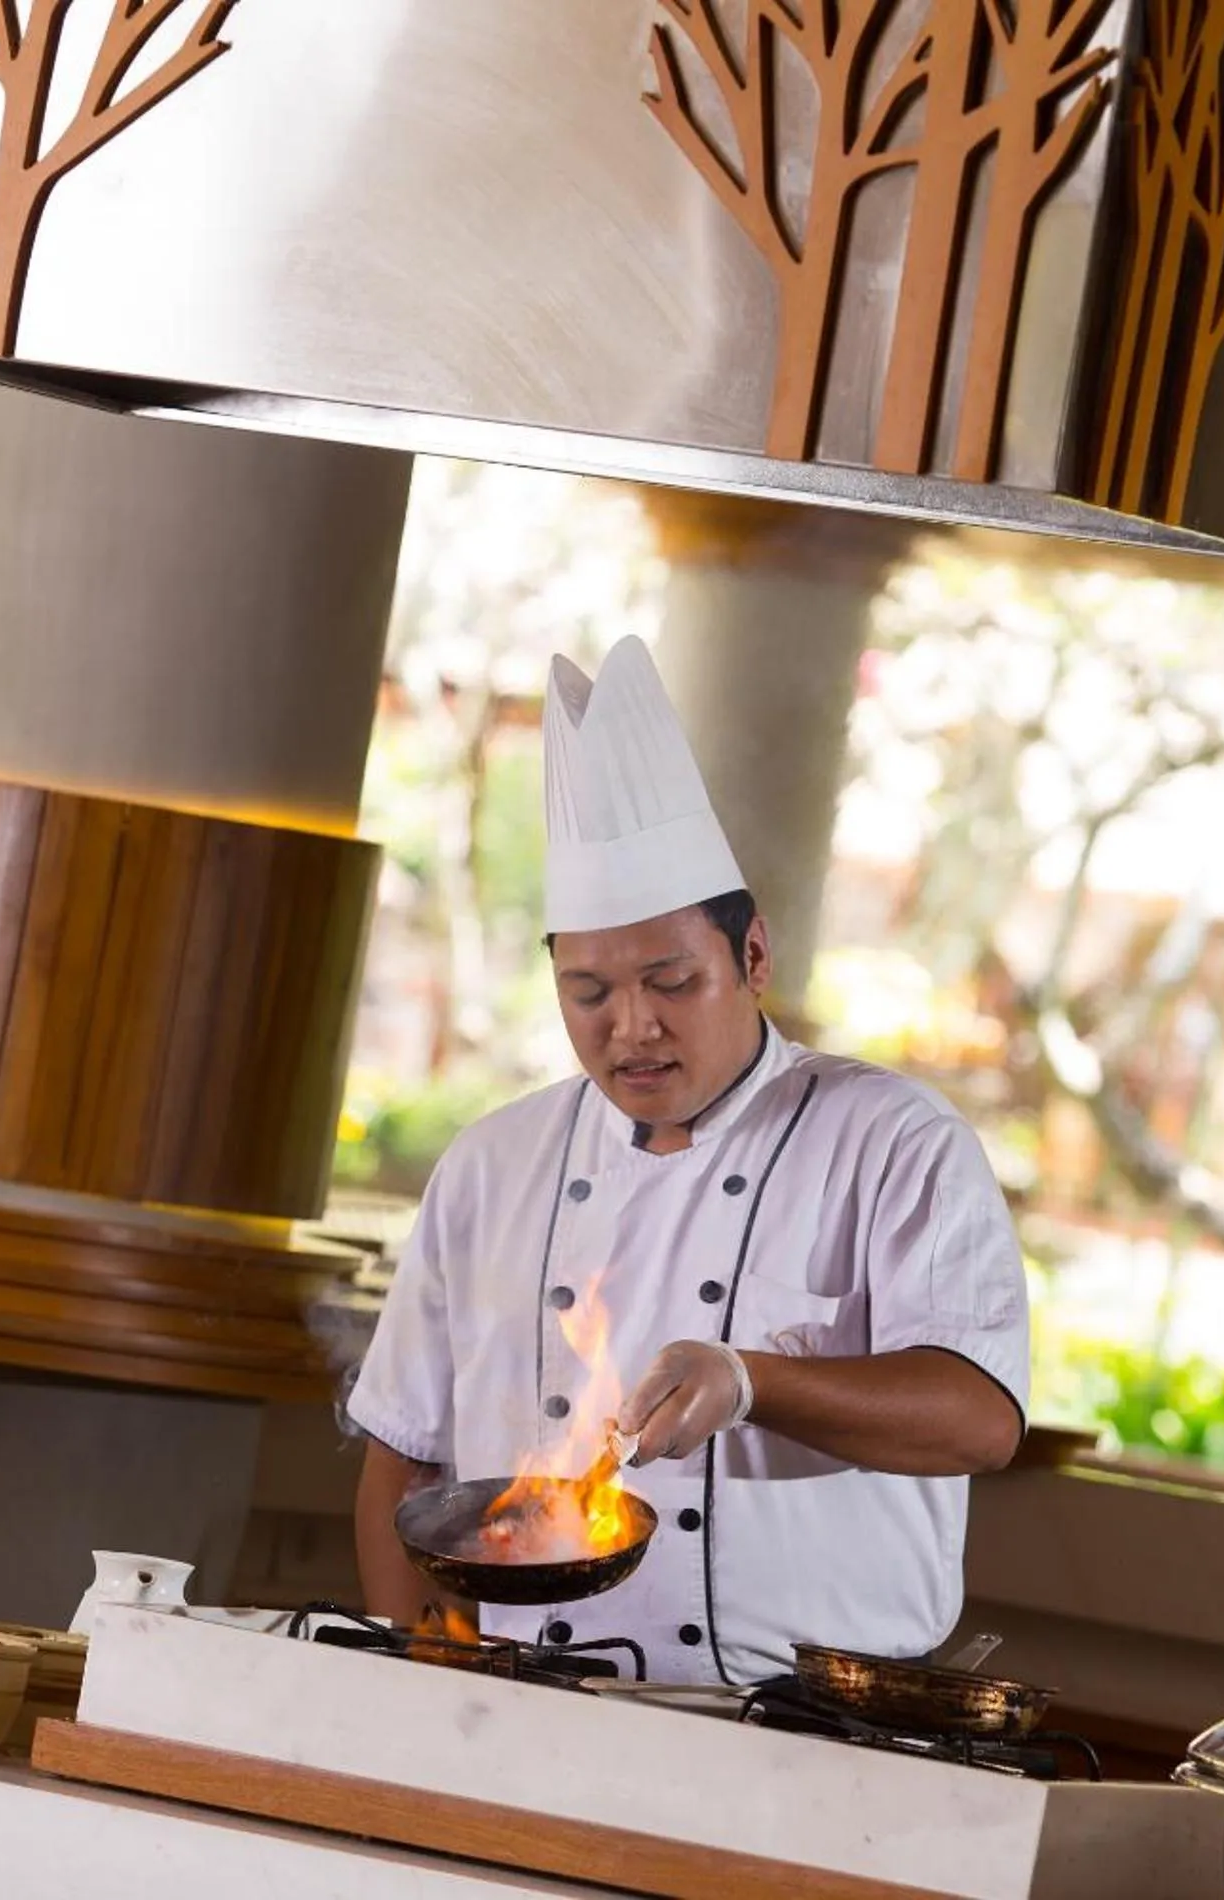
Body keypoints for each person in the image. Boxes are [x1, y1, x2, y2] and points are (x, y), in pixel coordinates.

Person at [347, 635, 1028, 1684]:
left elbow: (979, 1418)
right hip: (531, 1698)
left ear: (752, 956)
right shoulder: (494, 1163)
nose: (632, 1029)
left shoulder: (893, 1141)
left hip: (806, 1720)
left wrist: (751, 1382)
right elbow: (404, 1452)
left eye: (670, 982)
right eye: (589, 994)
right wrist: (409, 1674)